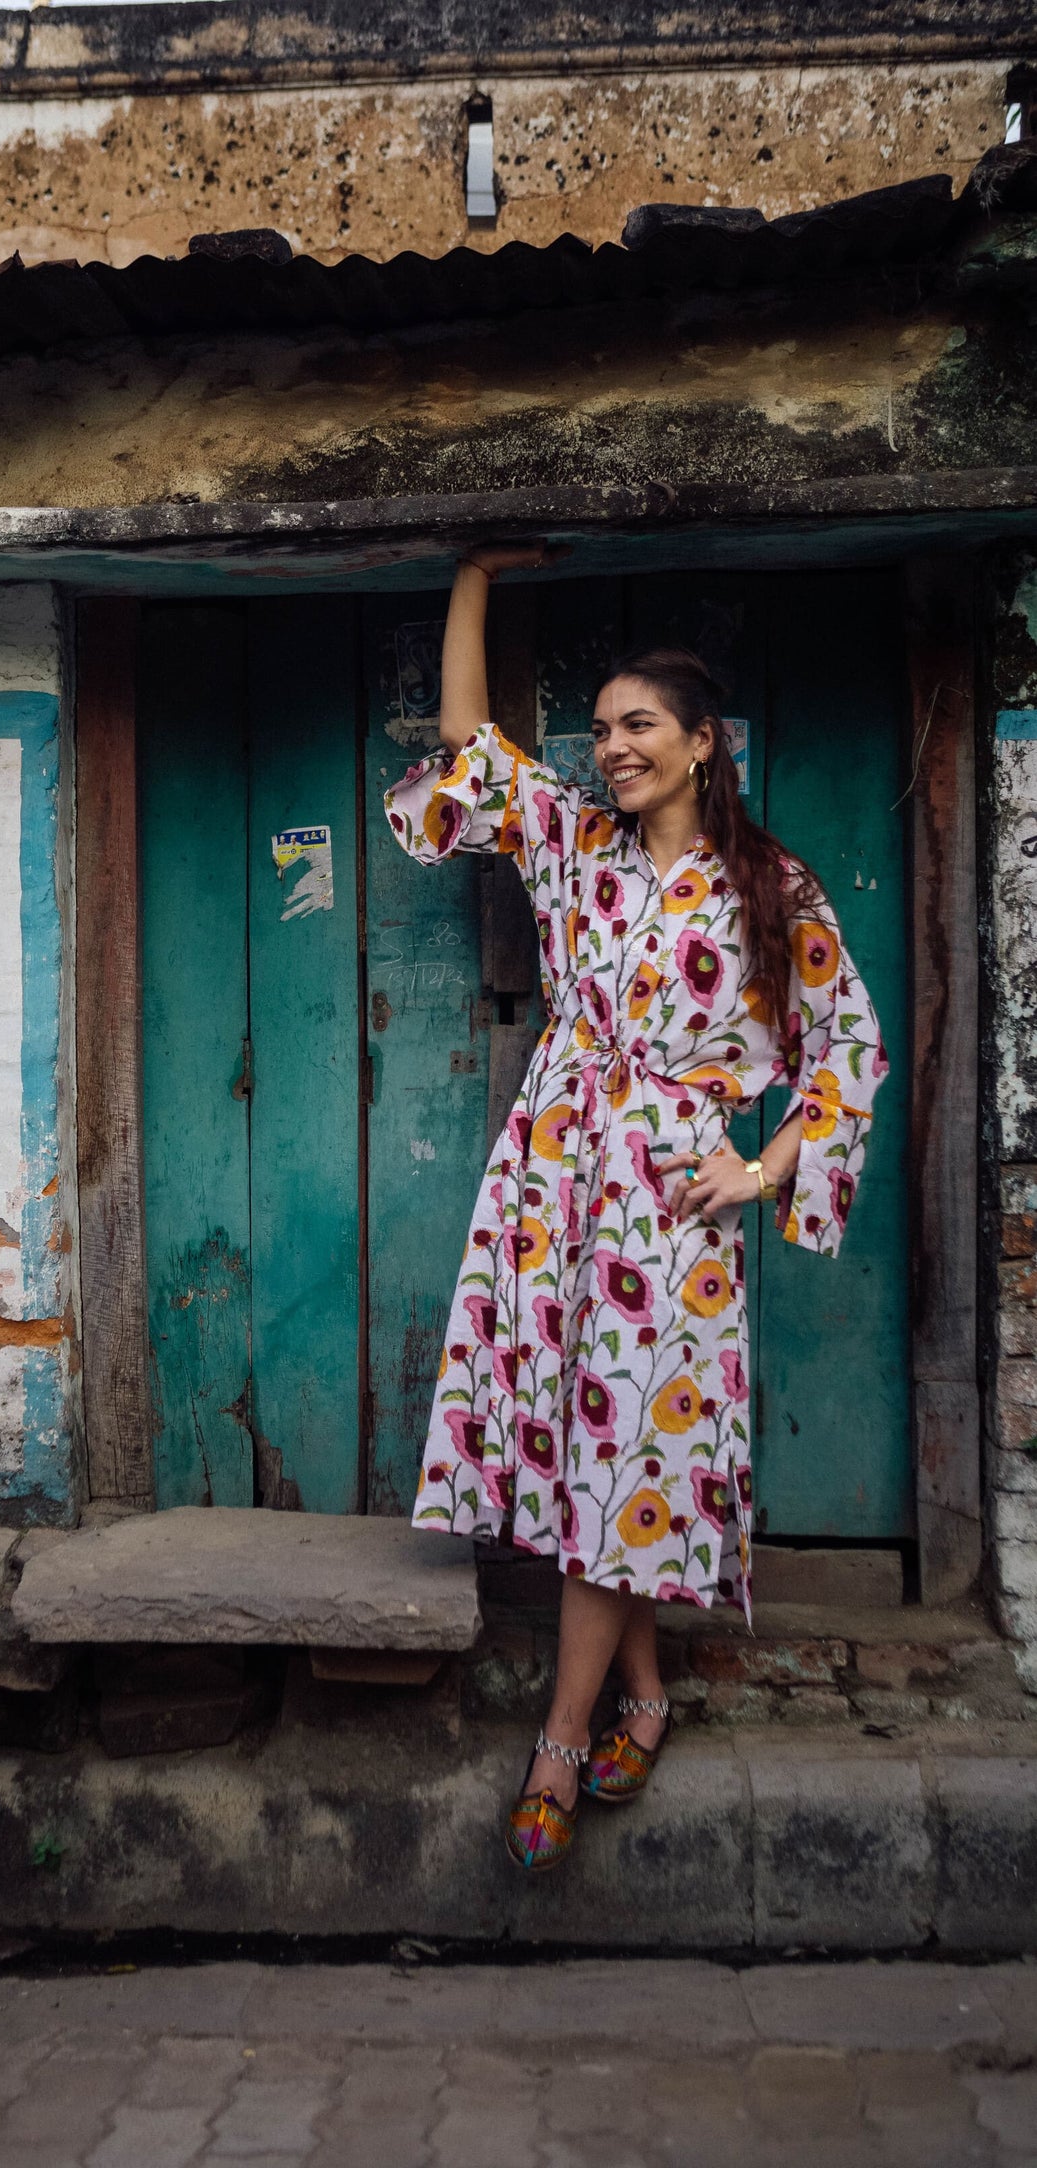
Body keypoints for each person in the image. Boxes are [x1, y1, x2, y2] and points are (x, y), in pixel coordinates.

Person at [384, 551, 887, 1871]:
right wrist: (473, 577)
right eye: (598, 730)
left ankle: (557, 1739)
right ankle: (645, 1694)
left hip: (666, 1198)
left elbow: (850, 1055)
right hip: (551, 1181)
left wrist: (763, 1169)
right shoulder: (570, 849)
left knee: (619, 1457)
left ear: (702, 744)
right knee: (592, 1457)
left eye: (637, 727)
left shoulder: (775, 892)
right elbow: (464, 743)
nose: (610, 750)